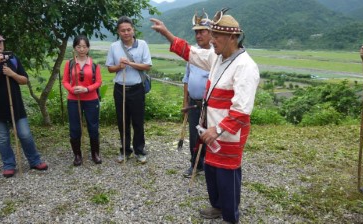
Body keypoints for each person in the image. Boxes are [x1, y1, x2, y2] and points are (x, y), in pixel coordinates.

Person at [151, 8, 260, 224]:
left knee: (227, 173)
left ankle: (231, 216)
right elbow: (191, 53)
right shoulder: (217, 57)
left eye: (216, 36)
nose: (212, 41)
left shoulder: (246, 66)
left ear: (231, 37)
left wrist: (218, 129)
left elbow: (241, 110)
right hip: (210, 128)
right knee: (211, 169)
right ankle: (217, 206)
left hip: (228, 133)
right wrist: (167, 34)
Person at [0, 30, 48, 178]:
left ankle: (34, 160)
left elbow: (24, 80)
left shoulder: (13, 58)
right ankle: (9, 165)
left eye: (0, 42)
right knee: (2, 138)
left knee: (25, 134)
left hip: (15, 104)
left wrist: (12, 73)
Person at [105, 16, 152, 164]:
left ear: (133, 30)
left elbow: (147, 66)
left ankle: (139, 150)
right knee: (122, 121)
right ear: (118, 32)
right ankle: (125, 150)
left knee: (138, 121)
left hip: (137, 88)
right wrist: (119, 67)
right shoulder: (114, 47)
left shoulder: (142, 44)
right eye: (122, 30)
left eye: (128, 29)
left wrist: (130, 63)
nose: (126, 33)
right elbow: (110, 68)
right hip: (120, 88)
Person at [62, 35, 102, 166]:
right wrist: (72, 89)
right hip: (74, 100)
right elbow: (65, 81)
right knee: (75, 128)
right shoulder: (70, 63)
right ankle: (77, 155)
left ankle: (95, 153)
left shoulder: (94, 65)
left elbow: (98, 82)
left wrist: (86, 89)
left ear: (88, 48)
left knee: (93, 127)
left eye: (84, 46)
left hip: (91, 99)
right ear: (74, 48)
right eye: (78, 46)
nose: (81, 49)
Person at [182, 14, 213, 178]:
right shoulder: (192, 54)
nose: (198, 35)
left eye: (202, 32)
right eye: (196, 32)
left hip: (210, 106)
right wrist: (185, 101)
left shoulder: (217, 55)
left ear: (211, 33)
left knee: (209, 135)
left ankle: (210, 166)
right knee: (194, 136)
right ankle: (195, 164)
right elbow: (186, 79)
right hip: (194, 103)